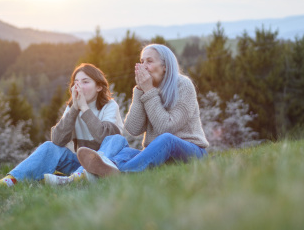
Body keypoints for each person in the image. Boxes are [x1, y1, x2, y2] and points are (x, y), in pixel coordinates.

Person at [0, 63, 123, 187]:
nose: (79, 87)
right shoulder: (72, 107)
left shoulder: (110, 106)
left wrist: (85, 109)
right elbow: (57, 140)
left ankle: (74, 179)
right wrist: (76, 108)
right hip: (79, 164)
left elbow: (106, 138)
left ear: (99, 87)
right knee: (49, 146)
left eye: (85, 82)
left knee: (116, 139)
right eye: (75, 83)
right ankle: (4, 183)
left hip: (106, 165)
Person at [77, 44, 209, 177]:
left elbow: (166, 127)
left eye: (149, 61)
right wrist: (140, 90)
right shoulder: (145, 89)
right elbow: (133, 129)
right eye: (142, 62)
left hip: (190, 150)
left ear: (165, 66)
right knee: (122, 149)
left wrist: (149, 91)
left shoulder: (183, 85)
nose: (143, 66)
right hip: (159, 154)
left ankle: (123, 173)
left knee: (167, 139)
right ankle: (101, 170)